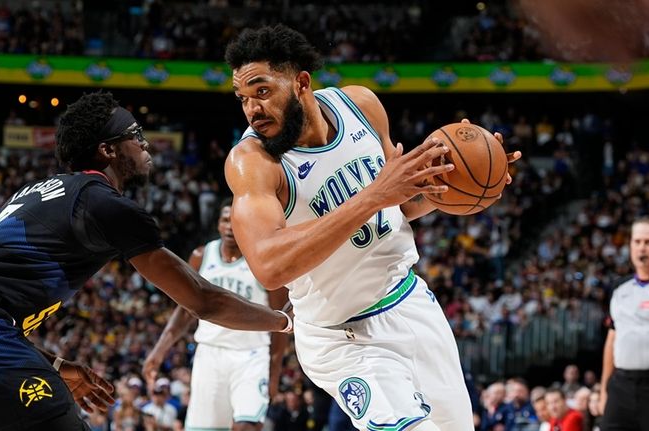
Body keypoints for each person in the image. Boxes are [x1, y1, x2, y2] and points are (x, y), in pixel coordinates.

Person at [0, 91, 293, 431]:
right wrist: (282, 320)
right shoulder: (105, 203)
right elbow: (203, 300)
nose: (146, 145)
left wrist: (57, 366)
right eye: (136, 136)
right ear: (108, 149)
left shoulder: (39, 190)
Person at [223, 25, 520, 431]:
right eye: (243, 99)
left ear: (301, 82)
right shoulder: (253, 162)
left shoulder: (360, 105)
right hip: (340, 337)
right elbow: (269, 264)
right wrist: (373, 196)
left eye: (262, 91)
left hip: (412, 304)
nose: (252, 110)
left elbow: (395, 206)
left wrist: (451, 187)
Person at [143, 197, 289, 431]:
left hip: (251, 356)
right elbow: (184, 311)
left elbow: (282, 322)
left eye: (235, 220)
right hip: (209, 354)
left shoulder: (263, 260)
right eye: (224, 220)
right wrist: (158, 352)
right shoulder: (202, 255)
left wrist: (274, 374)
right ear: (218, 224)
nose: (230, 226)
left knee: (247, 425)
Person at [600, 217, 649, 431]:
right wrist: (604, 390)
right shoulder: (619, 288)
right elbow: (612, 340)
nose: (641, 248)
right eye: (636, 242)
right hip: (621, 386)